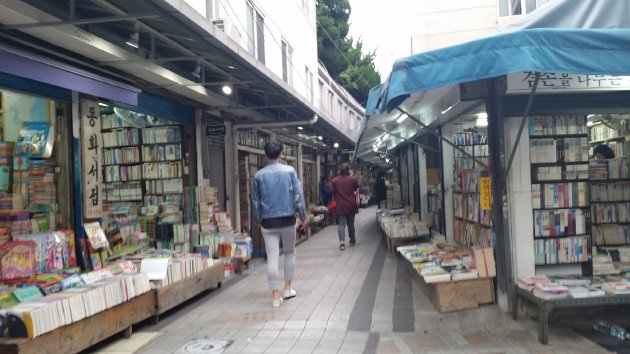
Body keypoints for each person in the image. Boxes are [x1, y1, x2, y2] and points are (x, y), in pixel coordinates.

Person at [252, 140, 309, 308]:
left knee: (272, 257)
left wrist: (259, 219)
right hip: (288, 219)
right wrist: (304, 217)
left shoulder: (258, 175)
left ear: (265, 155)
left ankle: (275, 296)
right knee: (290, 252)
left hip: (268, 222)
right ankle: (287, 288)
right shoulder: (290, 171)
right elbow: (298, 196)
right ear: (281, 154)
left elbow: (255, 201)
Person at [330, 162, 359, 251]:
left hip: (340, 206)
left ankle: (342, 242)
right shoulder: (353, 179)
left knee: (341, 224)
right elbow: (356, 188)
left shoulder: (334, 180)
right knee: (351, 223)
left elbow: (331, 192)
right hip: (351, 204)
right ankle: (352, 239)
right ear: (348, 170)